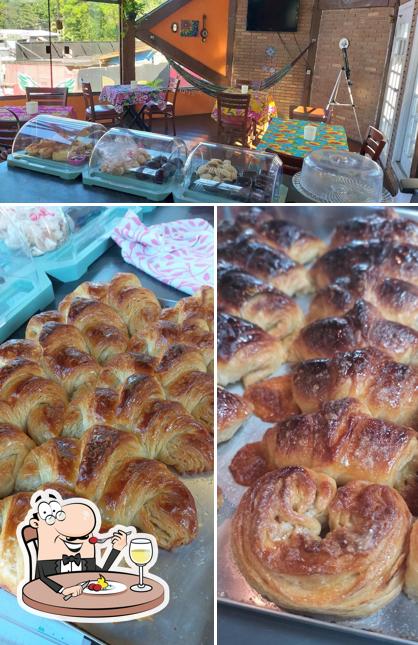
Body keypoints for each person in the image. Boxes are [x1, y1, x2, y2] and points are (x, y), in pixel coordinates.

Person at [28, 491, 128, 598]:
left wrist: (116, 549)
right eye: (70, 537)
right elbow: (42, 579)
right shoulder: (49, 554)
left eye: (84, 536)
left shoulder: (85, 555)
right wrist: (63, 590)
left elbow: (101, 574)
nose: (78, 541)